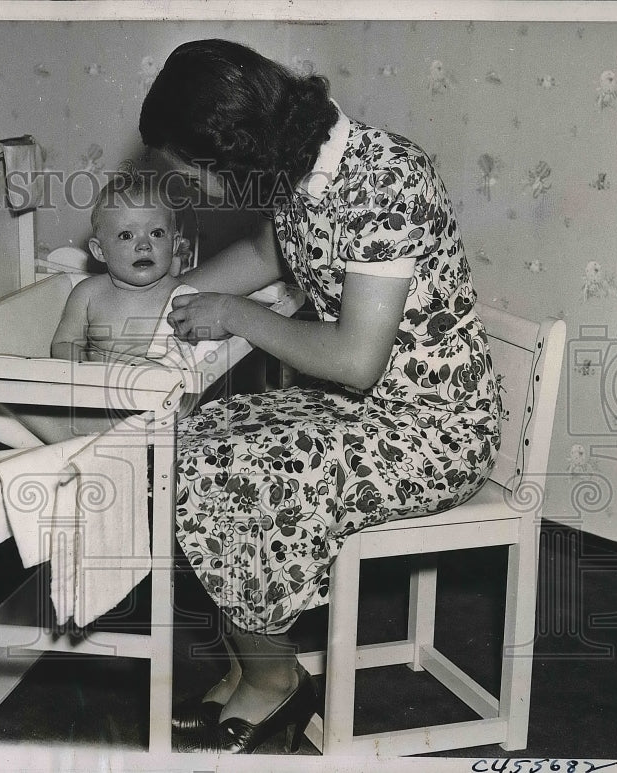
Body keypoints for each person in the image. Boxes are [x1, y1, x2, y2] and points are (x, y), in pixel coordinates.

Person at [139, 39, 501, 754]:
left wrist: (235, 315)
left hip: (433, 431)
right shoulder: (301, 168)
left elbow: (356, 360)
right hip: (369, 412)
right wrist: (166, 296)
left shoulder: (388, 177)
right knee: (189, 442)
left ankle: (276, 678)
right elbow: (270, 255)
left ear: (226, 154)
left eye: (190, 175)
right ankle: (254, 665)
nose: (195, 193)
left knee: (236, 471)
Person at [50, 175, 183, 362]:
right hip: (94, 386)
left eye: (156, 233)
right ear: (100, 251)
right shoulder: (88, 294)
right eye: (126, 235)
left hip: (161, 389)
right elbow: (65, 343)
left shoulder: (181, 298)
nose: (144, 245)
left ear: (174, 244)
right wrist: (85, 373)